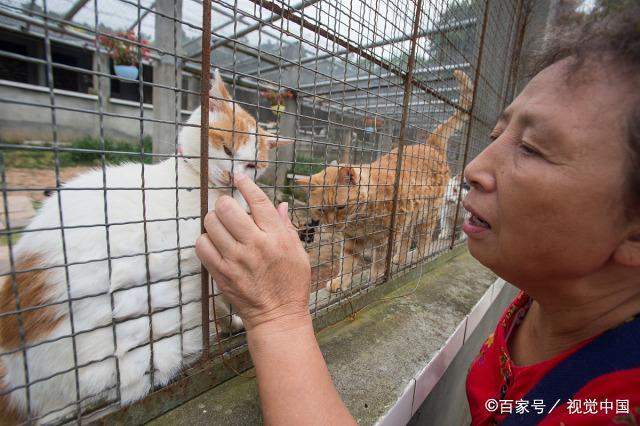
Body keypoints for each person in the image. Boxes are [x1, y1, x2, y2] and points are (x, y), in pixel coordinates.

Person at [196, 5, 640, 425]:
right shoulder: (537, 309)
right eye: (497, 134)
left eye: (531, 148)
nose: (472, 169)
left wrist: (278, 316)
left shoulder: (613, 405)